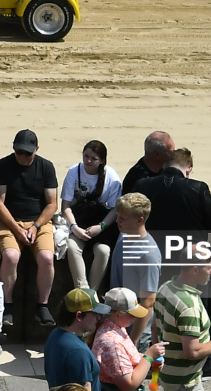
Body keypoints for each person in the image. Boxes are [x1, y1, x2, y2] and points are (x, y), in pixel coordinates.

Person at [0, 129, 61, 326]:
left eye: (27, 153)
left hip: (39, 220)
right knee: (11, 256)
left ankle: (43, 305)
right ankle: (8, 305)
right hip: (10, 220)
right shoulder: (3, 166)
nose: (22, 157)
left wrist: (36, 226)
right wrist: (16, 228)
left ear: (36, 150)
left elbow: (52, 204)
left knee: (47, 258)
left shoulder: (46, 167)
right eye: (19, 152)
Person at [154, 259, 211, 391]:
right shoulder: (189, 307)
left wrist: (157, 363)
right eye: (209, 268)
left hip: (168, 376)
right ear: (195, 270)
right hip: (184, 383)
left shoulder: (165, 287)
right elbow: (192, 352)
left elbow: (155, 327)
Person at [62, 140, 122, 297]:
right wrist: (74, 227)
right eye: (86, 156)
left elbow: (115, 209)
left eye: (93, 158)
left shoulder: (112, 177)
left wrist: (100, 227)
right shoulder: (74, 172)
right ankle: (83, 290)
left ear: (102, 160)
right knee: (72, 246)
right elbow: (65, 206)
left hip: (99, 222)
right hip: (78, 221)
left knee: (103, 251)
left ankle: (93, 292)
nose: (88, 161)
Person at [137, 147, 211, 249]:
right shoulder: (198, 188)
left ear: (164, 166)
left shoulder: (142, 185)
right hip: (189, 252)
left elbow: (130, 217)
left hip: (152, 249)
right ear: (189, 169)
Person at [112, 193, 160, 341]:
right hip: (119, 324)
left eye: (123, 218)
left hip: (135, 333)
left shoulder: (148, 255)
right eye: (118, 216)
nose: (117, 221)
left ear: (140, 220)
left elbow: (148, 303)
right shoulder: (123, 235)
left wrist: (132, 342)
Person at [92, 288, 161, 391]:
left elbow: (127, 357)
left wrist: (147, 359)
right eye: (131, 314)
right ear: (118, 314)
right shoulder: (112, 343)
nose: (135, 317)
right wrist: (149, 356)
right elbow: (129, 385)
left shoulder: (117, 326)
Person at [46, 289, 103, 391]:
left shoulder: (55, 335)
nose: (99, 318)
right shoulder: (78, 352)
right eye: (95, 314)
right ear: (79, 316)